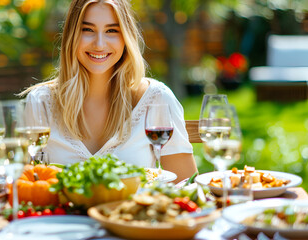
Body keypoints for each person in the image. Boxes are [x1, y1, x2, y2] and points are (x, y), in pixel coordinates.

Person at [21, 0, 197, 183]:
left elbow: (185, 185)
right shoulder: (40, 102)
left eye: (111, 30)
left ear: (126, 37)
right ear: (71, 35)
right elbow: (27, 185)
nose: (99, 44)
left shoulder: (157, 99)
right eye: (87, 30)